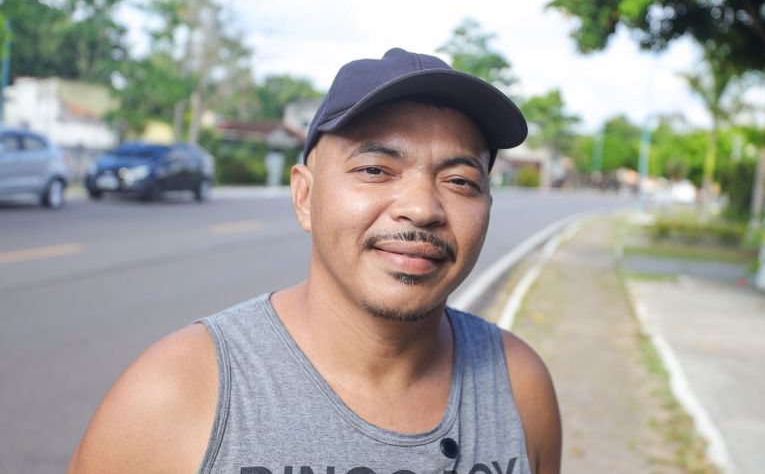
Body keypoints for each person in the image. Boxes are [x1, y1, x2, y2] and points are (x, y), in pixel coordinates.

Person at [68, 48, 561, 474]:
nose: (423, 208)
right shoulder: (177, 393)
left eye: (459, 181)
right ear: (304, 196)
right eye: (375, 169)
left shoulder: (518, 388)